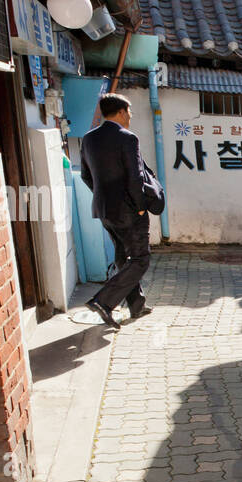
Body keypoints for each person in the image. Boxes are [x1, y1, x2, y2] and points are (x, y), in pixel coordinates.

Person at [78, 93, 163, 329]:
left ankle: (136, 305)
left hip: (104, 209)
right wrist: (139, 207)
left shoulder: (88, 138)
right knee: (140, 259)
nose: (131, 116)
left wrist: (104, 196)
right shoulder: (128, 138)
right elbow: (135, 178)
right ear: (122, 112)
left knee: (122, 256)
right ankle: (103, 302)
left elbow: (86, 175)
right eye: (130, 111)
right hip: (129, 211)